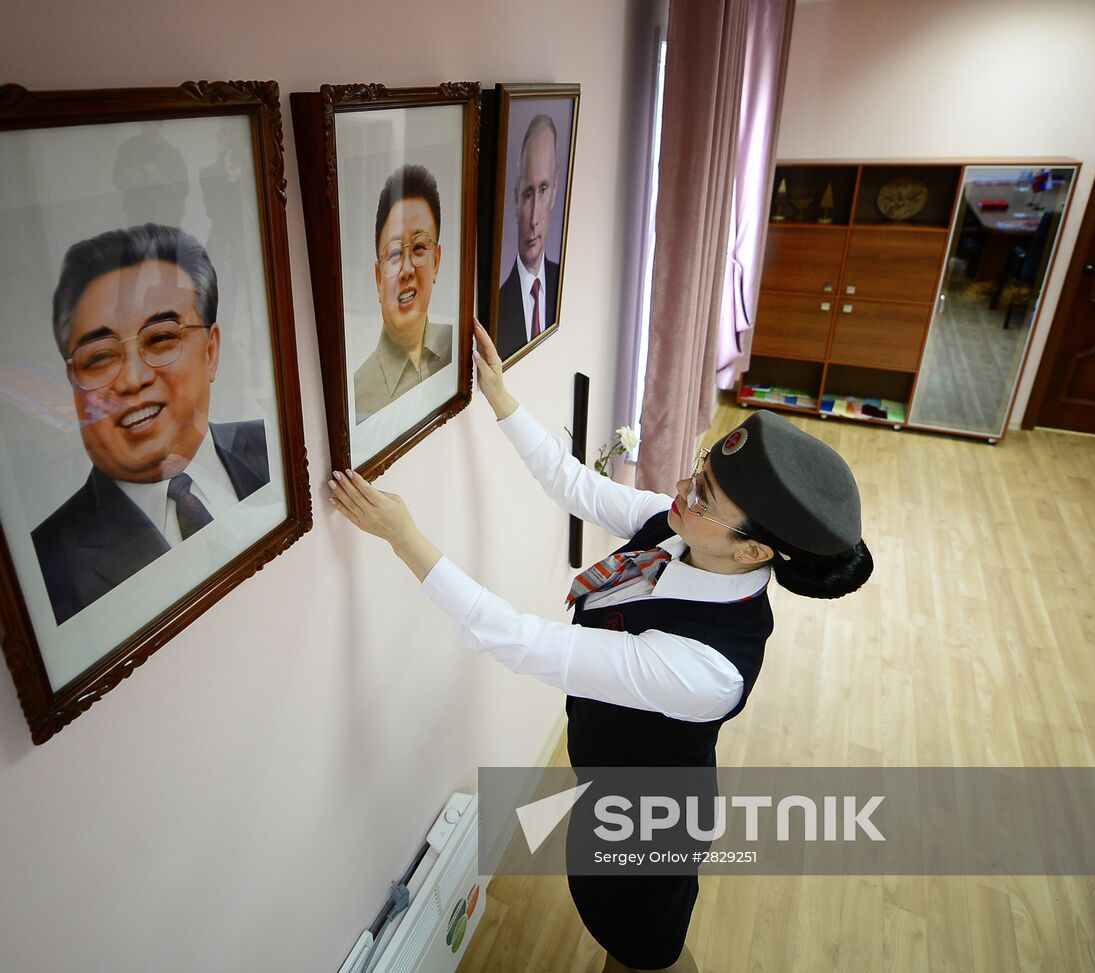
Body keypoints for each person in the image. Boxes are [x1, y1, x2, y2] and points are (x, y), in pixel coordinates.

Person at [328, 323, 873, 973]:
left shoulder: (709, 667)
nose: (682, 489)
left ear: (754, 550)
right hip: (606, 774)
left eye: (704, 493)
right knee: (625, 936)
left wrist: (404, 536)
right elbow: (575, 484)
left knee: (644, 952)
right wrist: (502, 398)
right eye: (699, 470)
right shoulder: (681, 532)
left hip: (649, 826)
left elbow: (522, 640)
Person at [32, 224, 270, 625]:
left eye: (160, 338)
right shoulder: (50, 567)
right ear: (74, 382)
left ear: (211, 352)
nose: (131, 379)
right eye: (100, 357)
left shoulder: (275, 447)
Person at [353, 164, 454, 423]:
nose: (407, 269)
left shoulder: (455, 347)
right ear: (378, 278)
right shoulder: (358, 396)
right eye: (395, 253)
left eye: (419, 247)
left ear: (437, 261)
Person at [497, 114, 563, 360]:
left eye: (543, 190)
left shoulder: (560, 283)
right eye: (527, 194)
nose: (534, 218)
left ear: (555, 190)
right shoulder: (498, 309)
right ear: (515, 199)